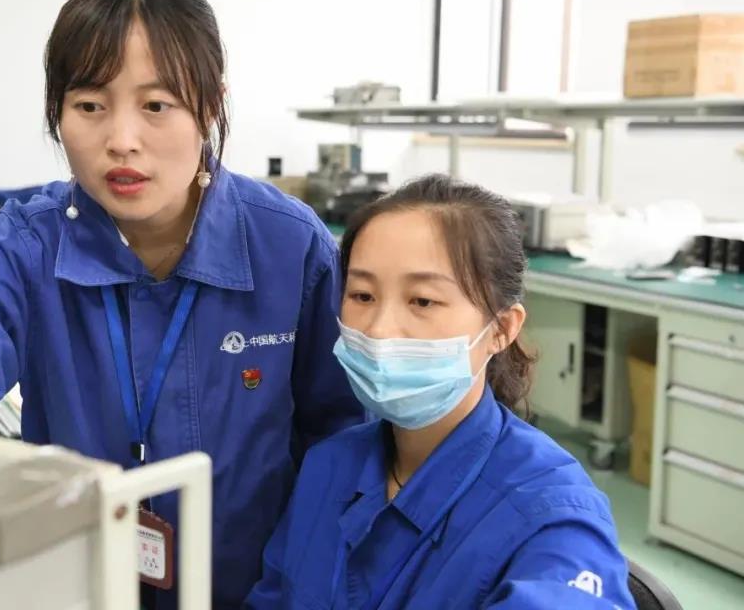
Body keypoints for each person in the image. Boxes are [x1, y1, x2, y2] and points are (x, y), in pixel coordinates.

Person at [0, 0, 362, 608]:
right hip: (79, 589)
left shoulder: (290, 247)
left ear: (210, 105)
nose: (121, 141)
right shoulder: (31, 244)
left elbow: (343, 445)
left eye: (156, 105)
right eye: (90, 106)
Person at [244, 174, 635, 609]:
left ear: (502, 329)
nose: (379, 329)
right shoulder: (329, 465)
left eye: (422, 301)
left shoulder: (549, 514)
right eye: (363, 295)